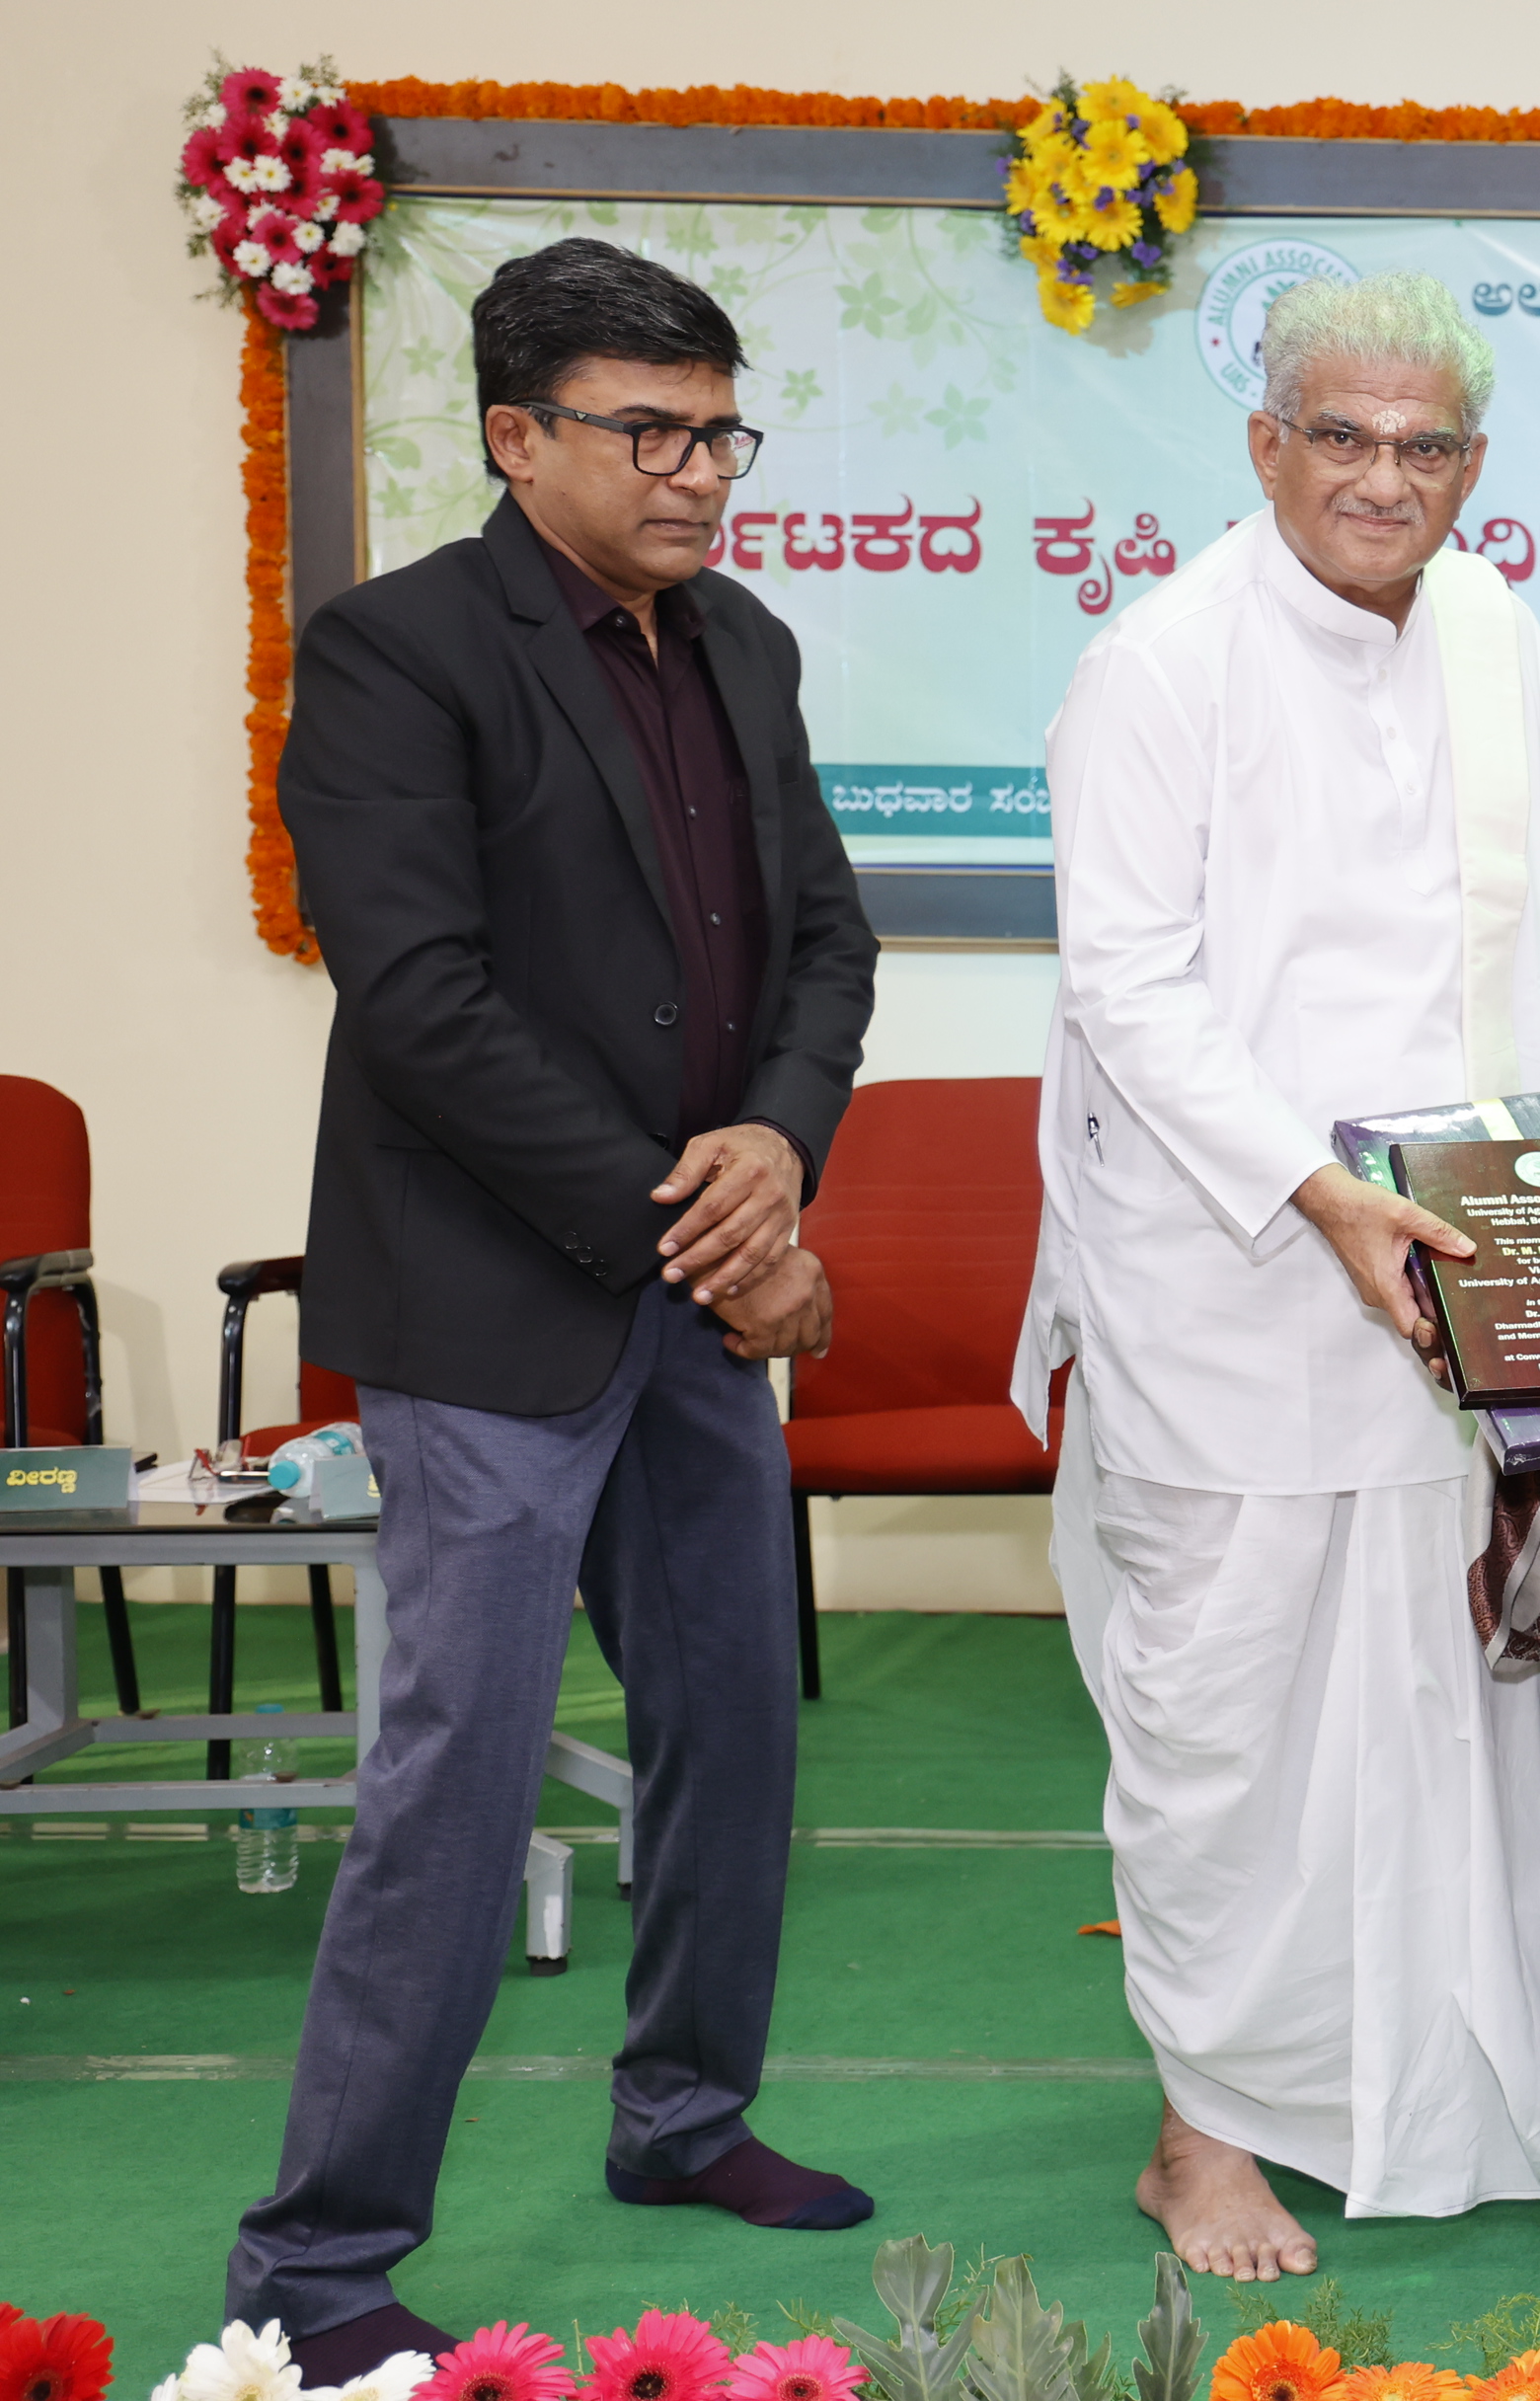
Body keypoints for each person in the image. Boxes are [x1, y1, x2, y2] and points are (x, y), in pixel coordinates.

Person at [231, 237, 879, 2376]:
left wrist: (779, 1142)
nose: (696, 473)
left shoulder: (748, 644)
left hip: (690, 1300)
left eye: (720, 433)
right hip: (495, 1306)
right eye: (647, 432)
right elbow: (421, 1001)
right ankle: (317, 2259)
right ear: (517, 437)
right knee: (465, 1770)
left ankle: (684, 2115)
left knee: (735, 1722)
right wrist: (706, 1227)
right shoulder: (399, 649)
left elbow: (826, 944)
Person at [1010, 271, 1540, 2282]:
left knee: (1440, 1699)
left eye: (1424, 446)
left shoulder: (1492, 627)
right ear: (1266, 443)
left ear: (1471, 465)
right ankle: (1201, 2129)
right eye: (1342, 436)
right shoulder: (1162, 662)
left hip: (1453, 1268)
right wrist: (1319, 1193)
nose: (1383, 479)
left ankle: (1423, 2089)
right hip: (1227, 1276)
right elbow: (1127, 983)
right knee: (1224, 1722)